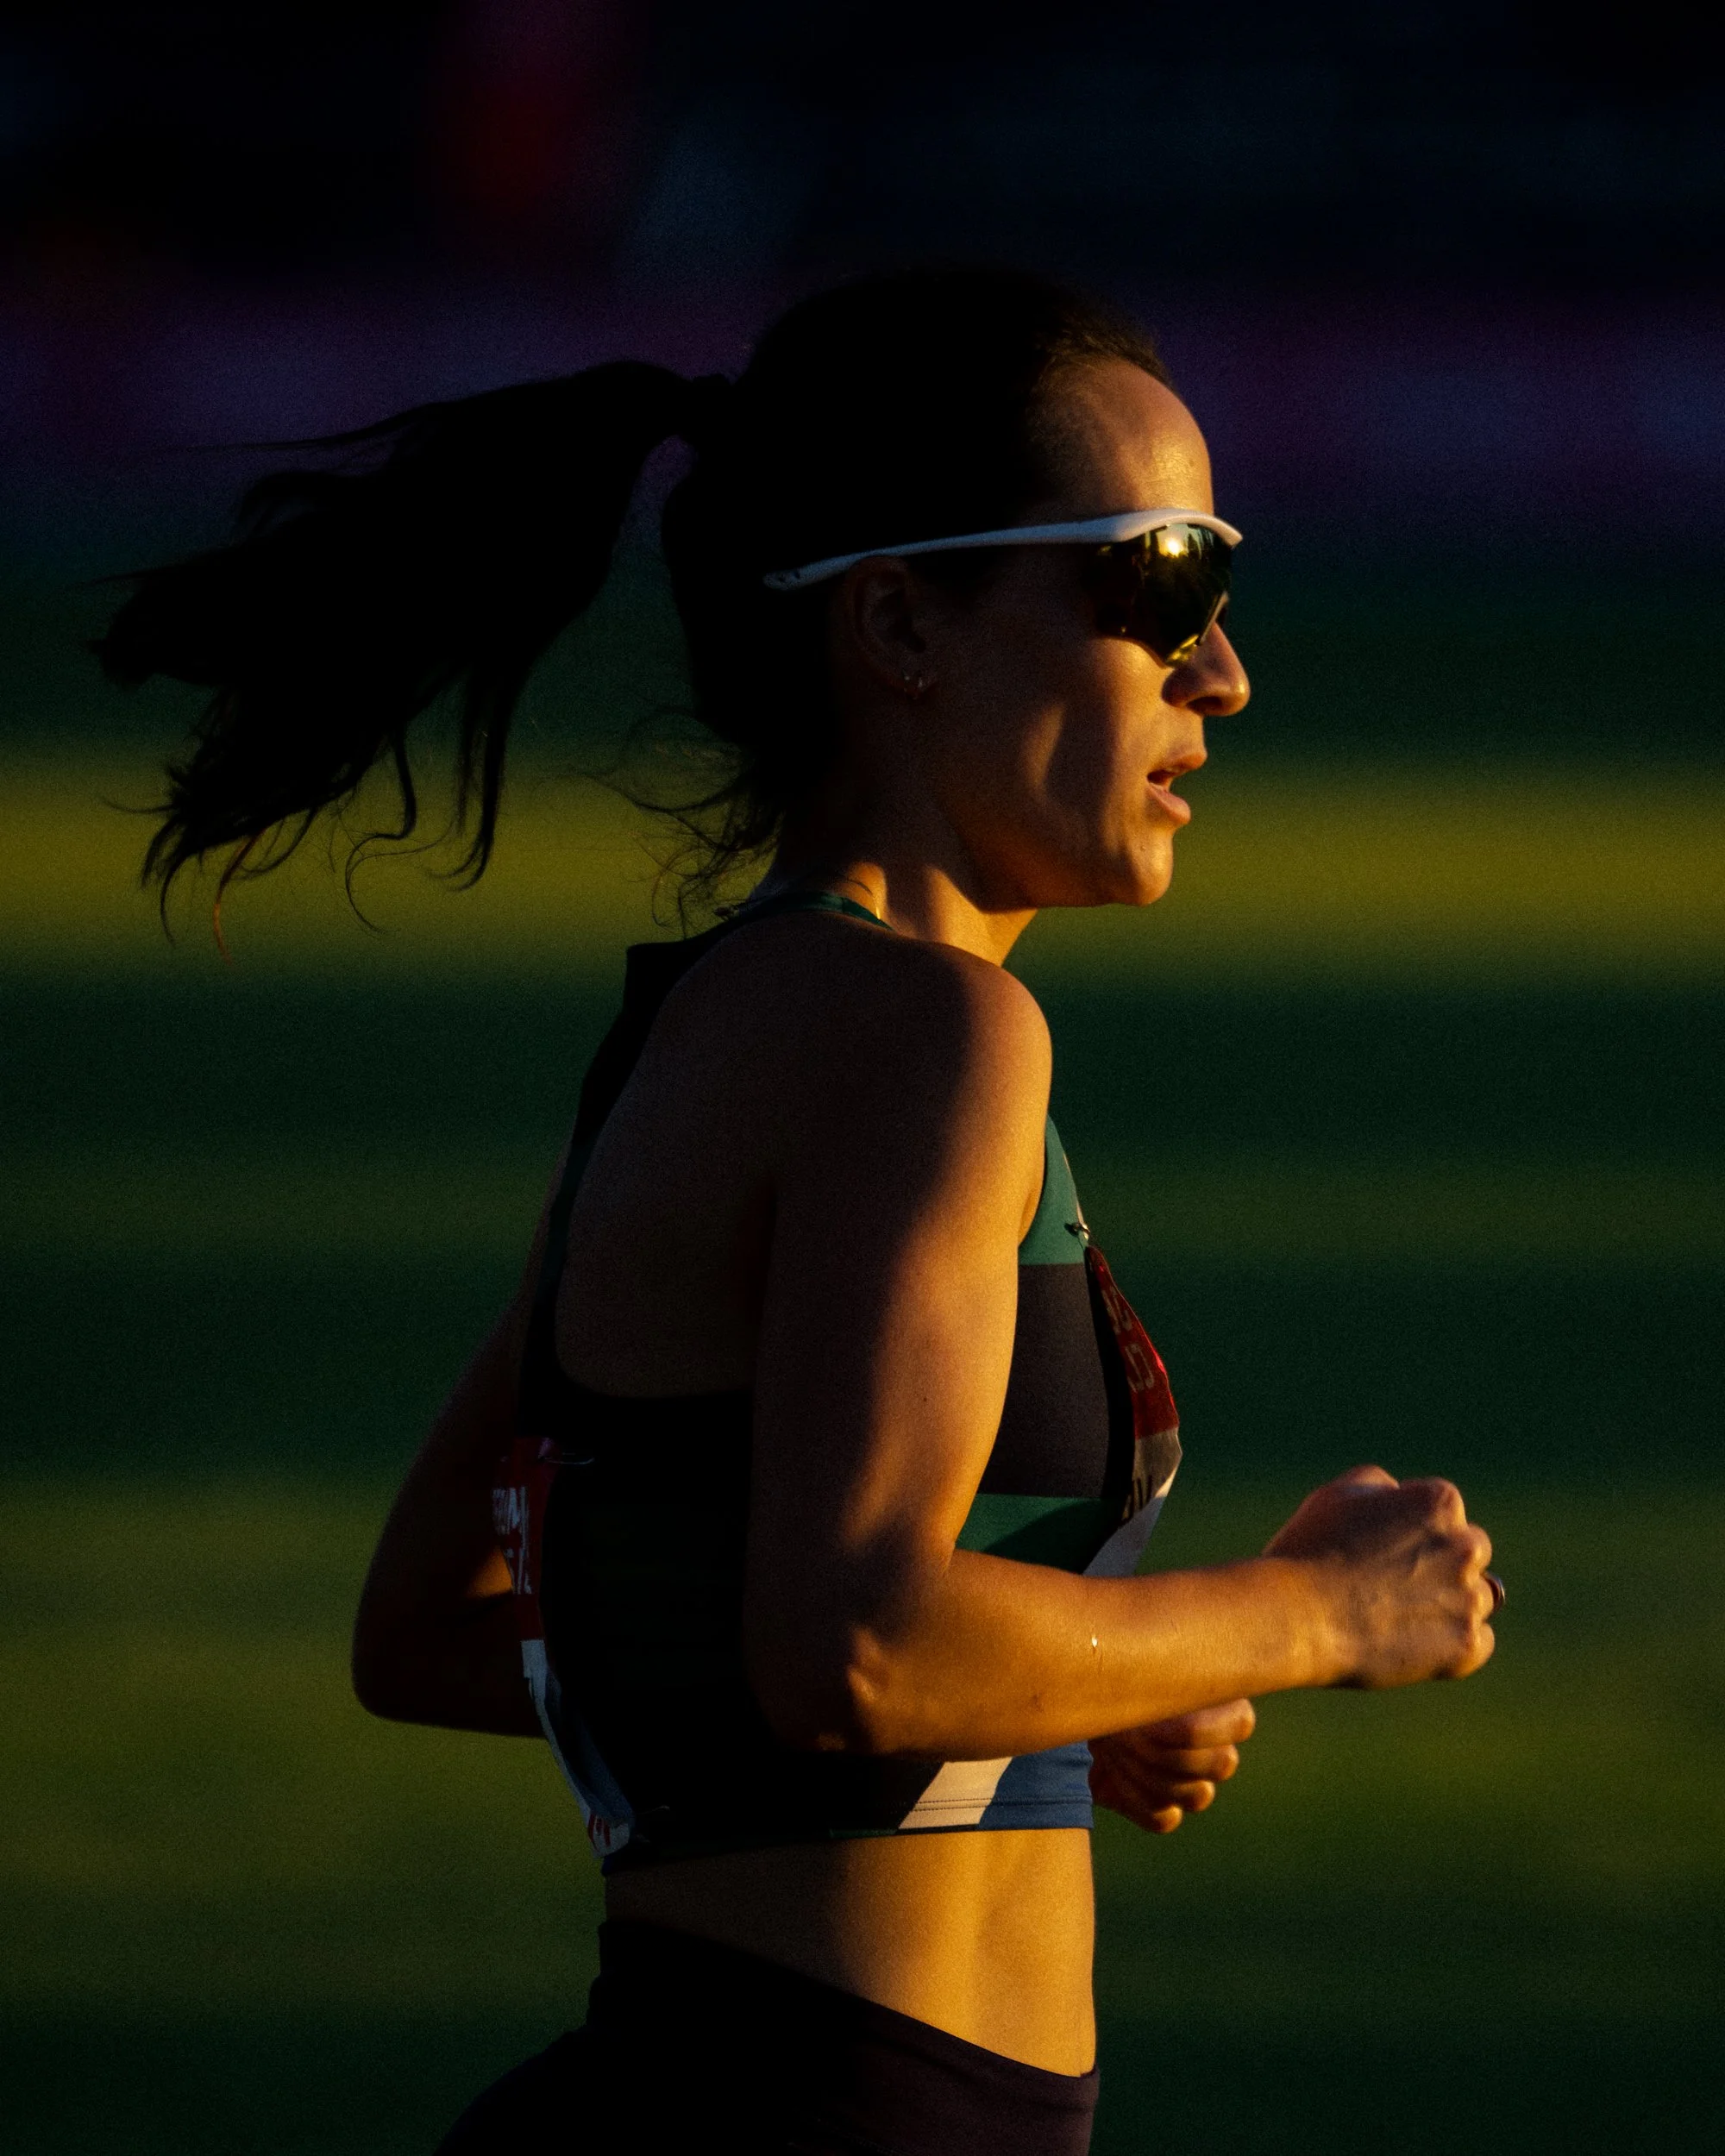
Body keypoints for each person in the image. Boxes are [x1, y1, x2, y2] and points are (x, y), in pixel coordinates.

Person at [100, 266, 1499, 2156]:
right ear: (900, 622)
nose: (1221, 672)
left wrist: (1056, 1692)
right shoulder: (932, 1033)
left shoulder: (700, 1031)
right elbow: (853, 1646)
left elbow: (441, 1624)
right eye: (1159, 581)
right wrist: (1312, 1611)